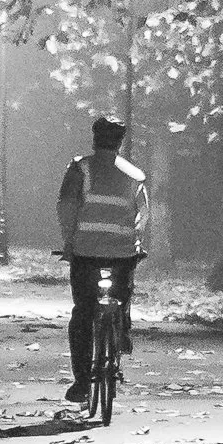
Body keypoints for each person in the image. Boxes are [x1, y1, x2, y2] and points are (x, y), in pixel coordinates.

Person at [57, 117, 147, 405]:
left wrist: (69, 241)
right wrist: (135, 243)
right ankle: (121, 330)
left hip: (85, 252)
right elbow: (143, 216)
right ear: (120, 142)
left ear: (95, 139)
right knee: (123, 293)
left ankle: (82, 382)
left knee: (82, 312)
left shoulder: (80, 168)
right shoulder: (135, 175)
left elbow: (67, 207)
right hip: (122, 253)